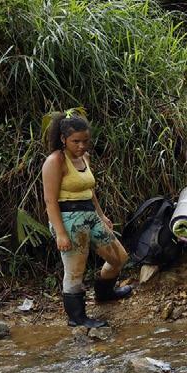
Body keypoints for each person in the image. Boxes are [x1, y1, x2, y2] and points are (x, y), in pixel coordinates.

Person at [40, 111, 132, 329]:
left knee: (119, 257)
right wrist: (60, 233)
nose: (81, 145)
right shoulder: (55, 161)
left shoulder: (84, 157)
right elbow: (50, 201)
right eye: (76, 141)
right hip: (68, 219)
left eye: (85, 140)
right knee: (75, 270)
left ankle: (105, 293)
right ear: (63, 139)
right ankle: (77, 317)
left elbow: (90, 191)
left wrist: (101, 215)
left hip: (90, 215)